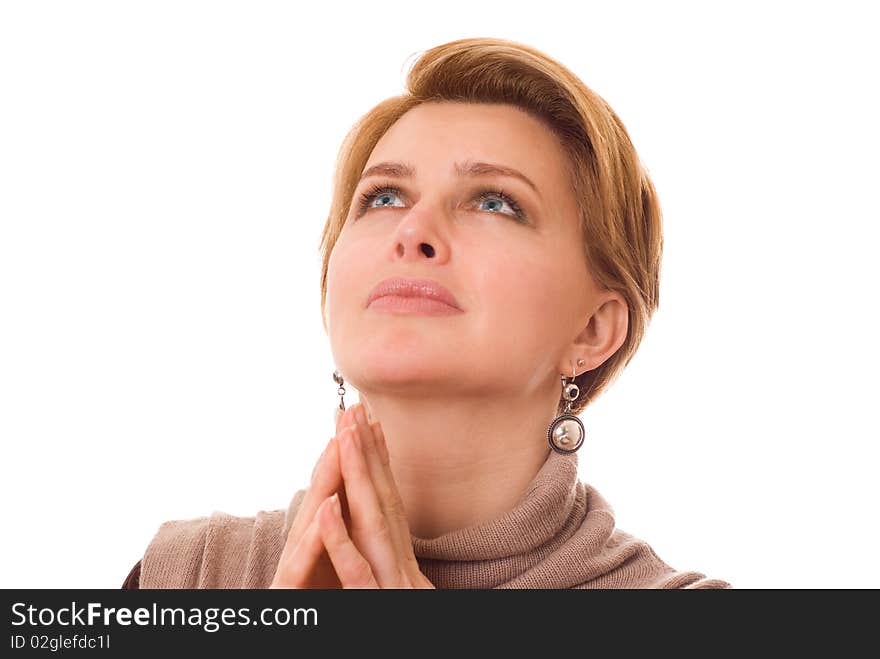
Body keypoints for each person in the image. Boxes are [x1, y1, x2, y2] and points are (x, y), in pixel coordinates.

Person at [123, 36, 731, 589]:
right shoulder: (181, 578)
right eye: (383, 197)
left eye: (495, 202)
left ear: (594, 329)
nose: (413, 230)